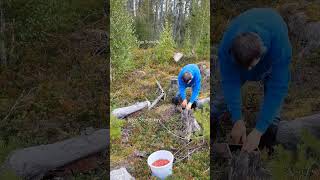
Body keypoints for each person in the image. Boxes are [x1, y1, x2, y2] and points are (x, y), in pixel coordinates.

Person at [213, 8, 292, 152]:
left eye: (252, 66)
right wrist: (237, 119)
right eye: (244, 67)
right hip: (240, 47)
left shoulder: (279, 47)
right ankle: (211, 126)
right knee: (221, 99)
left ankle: (267, 138)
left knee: (273, 107)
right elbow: (230, 83)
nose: (249, 71)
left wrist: (259, 130)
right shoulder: (226, 49)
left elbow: (278, 88)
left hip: (273, 40)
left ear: (262, 55)